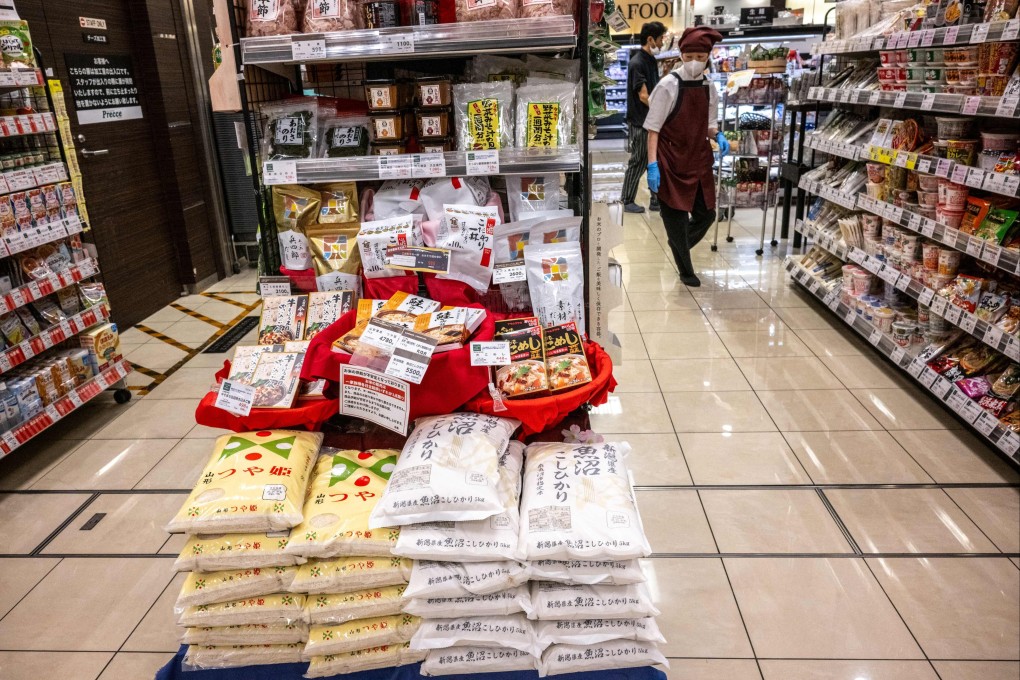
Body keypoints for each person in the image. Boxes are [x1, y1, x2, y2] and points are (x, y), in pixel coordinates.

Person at [644, 26, 729, 288]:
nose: (694, 62)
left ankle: (679, 242)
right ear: (681, 55)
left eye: (700, 57)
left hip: (698, 158)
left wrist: (718, 135)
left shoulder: (709, 87)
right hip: (670, 161)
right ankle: (685, 269)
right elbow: (653, 129)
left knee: (706, 215)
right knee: (677, 216)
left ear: (708, 57)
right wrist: (652, 165)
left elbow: (708, 124)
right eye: (689, 56)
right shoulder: (668, 85)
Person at [621, 21, 667, 214]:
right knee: (639, 160)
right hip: (641, 121)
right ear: (650, 39)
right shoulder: (638, 62)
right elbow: (643, 95)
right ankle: (627, 199)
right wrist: (662, 109)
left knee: (653, 159)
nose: (663, 42)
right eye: (661, 38)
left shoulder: (649, 60)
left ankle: (655, 199)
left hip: (650, 121)